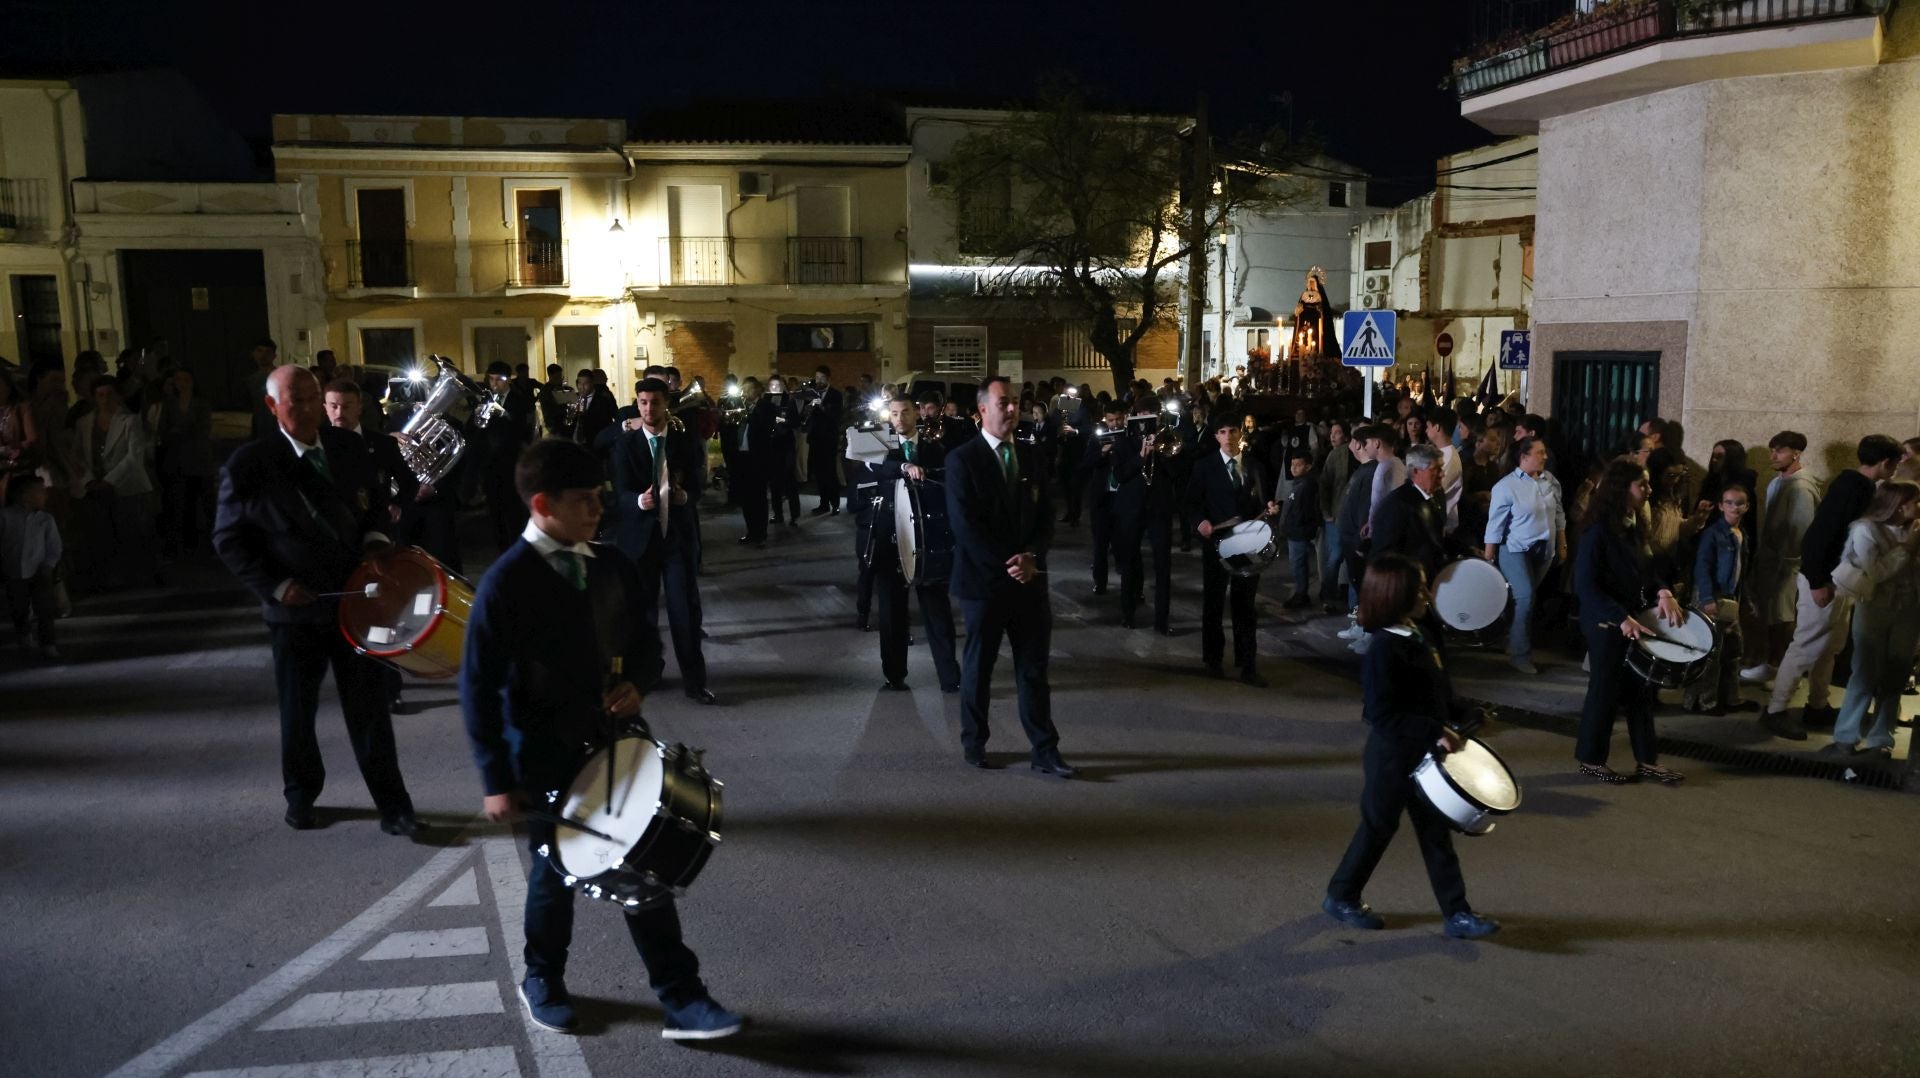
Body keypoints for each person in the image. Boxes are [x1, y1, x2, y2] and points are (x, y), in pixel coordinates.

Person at [461, 438, 743, 1039]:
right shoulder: (505, 583)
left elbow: (646, 645)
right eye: (584, 500)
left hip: (618, 743)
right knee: (553, 878)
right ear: (543, 503)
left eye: (599, 497)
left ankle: (682, 998)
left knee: (646, 874)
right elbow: (478, 688)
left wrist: (639, 683)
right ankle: (543, 978)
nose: (598, 509)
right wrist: (496, 781)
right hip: (544, 756)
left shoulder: (612, 563)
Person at [213, 366, 421, 834]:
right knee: (298, 710)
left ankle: (395, 806)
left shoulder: (349, 448)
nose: (308, 410)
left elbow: (376, 509)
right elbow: (229, 539)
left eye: (313, 399)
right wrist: (276, 585)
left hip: (356, 601)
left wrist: (374, 540)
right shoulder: (250, 464)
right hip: (294, 608)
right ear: (273, 406)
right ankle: (301, 796)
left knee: (368, 707)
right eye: (296, 401)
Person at [1322, 554, 1500, 940]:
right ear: (1395, 595)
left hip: (1423, 756)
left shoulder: (1418, 634)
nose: (1427, 592)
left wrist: (1464, 711)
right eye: (1418, 587)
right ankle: (1341, 895)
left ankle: (1457, 913)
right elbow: (1380, 714)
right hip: (1391, 757)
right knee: (1378, 828)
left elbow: (1436, 693)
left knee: (1435, 833)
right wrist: (1435, 728)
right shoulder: (1384, 649)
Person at [944, 376, 1072, 776]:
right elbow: (965, 525)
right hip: (984, 583)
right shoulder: (962, 459)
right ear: (983, 409)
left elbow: (1047, 518)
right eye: (1003, 402)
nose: (1012, 409)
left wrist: (1032, 557)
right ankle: (975, 742)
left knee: (1033, 669)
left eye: (1016, 401)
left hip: (1030, 581)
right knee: (979, 667)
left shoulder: (1032, 457)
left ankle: (1044, 749)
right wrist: (1009, 563)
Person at [1760, 434, 1901, 740]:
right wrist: (1816, 581)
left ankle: (1818, 705)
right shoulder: (1852, 489)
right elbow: (1818, 536)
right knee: (1806, 645)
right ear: (1885, 462)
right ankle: (1775, 709)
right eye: (1896, 462)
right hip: (1824, 579)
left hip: (1835, 579)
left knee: (1830, 645)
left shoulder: (1857, 486)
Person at [1572, 460, 1688, 784]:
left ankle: (1647, 760)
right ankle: (1591, 759)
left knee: (1640, 691)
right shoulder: (1598, 530)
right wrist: (1619, 617)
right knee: (1604, 691)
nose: (1649, 490)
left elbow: (1648, 569)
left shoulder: (1633, 523)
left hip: (1630, 619)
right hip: (1606, 624)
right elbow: (1585, 586)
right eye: (1643, 485)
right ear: (1623, 489)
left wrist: (1663, 590)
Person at [609, 378, 714, 705]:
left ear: (666, 403)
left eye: (654, 402)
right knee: (641, 615)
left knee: (685, 612)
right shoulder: (626, 445)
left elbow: (698, 484)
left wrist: (686, 496)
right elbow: (620, 494)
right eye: (642, 402)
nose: (648, 409)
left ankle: (695, 682)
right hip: (639, 542)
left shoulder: (686, 441)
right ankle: (645, 677)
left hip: (677, 540)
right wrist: (639, 501)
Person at [870, 398, 960, 692]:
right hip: (890, 539)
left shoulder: (935, 448)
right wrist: (905, 465)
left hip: (929, 539)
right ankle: (894, 674)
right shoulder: (881, 447)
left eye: (905, 412)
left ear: (916, 414)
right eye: (893, 413)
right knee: (892, 611)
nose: (899, 418)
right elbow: (876, 469)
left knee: (936, 608)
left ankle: (949, 676)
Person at [1826, 479, 1920, 757]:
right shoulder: (1865, 529)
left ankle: (1881, 738)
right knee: (1865, 671)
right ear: (1900, 506)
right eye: (1915, 501)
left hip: (1910, 608)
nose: (1918, 506)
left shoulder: (1914, 529)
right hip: (1874, 606)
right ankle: (1846, 734)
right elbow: (1877, 572)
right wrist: (1907, 548)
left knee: (1897, 673)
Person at [1187, 410, 1279, 687]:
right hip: (1216, 543)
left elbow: (1265, 499)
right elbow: (1191, 501)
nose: (1229, 437)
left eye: (1233, 431)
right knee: (1213, 602)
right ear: (1216, 436)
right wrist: (1201, 522)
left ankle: (1248, 664)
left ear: (1241, 434)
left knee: (1245, 605)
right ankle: (1213, 659)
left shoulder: (1254, 465)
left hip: (1248, 543)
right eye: (1223, 432)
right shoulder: (1204, 466)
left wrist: (1270, 508)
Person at [1740, 432, 1820, 685]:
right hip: (1771, 560)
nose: (1773, 456)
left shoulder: (1801, 486)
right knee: (1770, 615)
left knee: (1783, 617)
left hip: (1787, 564)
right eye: (1771, 450)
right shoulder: (1777, 482)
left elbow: (1801, 530)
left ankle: (1781, 668)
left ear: (1796, 453)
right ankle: (1771, 665)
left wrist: (1787, 562)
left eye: (1780, 450)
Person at [1484, 437, 1566, 674]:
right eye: (1540, 452)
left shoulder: (1551, 482)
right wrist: (1489, 557)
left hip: (1544, 550)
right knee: (1526, 597)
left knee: (1521, 599)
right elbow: (1495, 524)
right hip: (1515, 548)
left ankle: (1507, 637)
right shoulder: (1505, 486)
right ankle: (1520, 654)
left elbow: (1559, 515)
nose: (1545, 457)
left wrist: (1562, 544)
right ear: (1524, 457)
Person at [70, 380, 157, 591]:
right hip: (95, 487)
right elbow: (78, 455)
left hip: (125, 486)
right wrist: (89, 480)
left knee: (130, 532)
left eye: (109, 394)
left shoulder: (129, 421)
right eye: (100, 394)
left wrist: (109, 480)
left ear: (118, 396)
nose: (105, 399)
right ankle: (109, 576)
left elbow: (134, 456)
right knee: (102, 534)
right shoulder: (84, 423)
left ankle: (137, 576)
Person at [1683, 484, 1753, 714]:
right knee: (1708, 651)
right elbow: (1702, 567)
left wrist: (1746, 600)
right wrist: (1706, 597)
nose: (1735, 507)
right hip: (1713, 597)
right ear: (1721, 506)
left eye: (1740, 503)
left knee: (1733, 650)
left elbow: (1741, 572)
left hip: (1730, 599)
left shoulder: (1742, 535)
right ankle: (1704, 701)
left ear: (1747, 506)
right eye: (1729, 502)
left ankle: (1731, 697)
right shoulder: (1713, 534)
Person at [148, 368, 214, 558]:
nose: (182, 383)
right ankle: (186, 540)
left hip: (199, 457)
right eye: (178, 380)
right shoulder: (169, 404)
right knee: (182, 501)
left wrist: (180, 431)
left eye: (186, 379)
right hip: (177, 458)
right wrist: (176, 433)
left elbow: (202, 428)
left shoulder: (201, 403)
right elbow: (163, 430)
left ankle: (211, 542)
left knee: (206, 500)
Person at [2, 473, 62, 661]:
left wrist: (48, 565)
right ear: (25, 496)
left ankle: (48, 643)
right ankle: (24, 634)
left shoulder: (45, 520)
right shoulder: (5, 517)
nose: (45, 496)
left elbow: (54, 546)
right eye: (40, 492)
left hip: (40, 571)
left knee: (44, 608)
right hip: (13, 570)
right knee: (18, 606)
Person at [1369, 444, 1446, 583]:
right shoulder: (1396, 506)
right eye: (1435, 469)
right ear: (1416, 471)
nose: (1442, 474)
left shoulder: (1436, 495)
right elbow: (1384, 557)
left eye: (1442, 468)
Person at [481, 361, 536, 553]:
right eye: (491, 379)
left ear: (508, 380)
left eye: (499, 380)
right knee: (494, 511)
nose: (494, 384)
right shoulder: (485, 398)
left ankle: (517, 549)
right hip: (490, 463)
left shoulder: (519, 399)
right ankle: (501, 549)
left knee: (513, 511)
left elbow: (523, 428)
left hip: (511, 461)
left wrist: (503, 413)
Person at [1084, 401, 1128, 596]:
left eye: (1118, 419)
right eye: (1110, 420)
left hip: (1123, 496)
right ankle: (1100, 583)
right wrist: (1103, 451)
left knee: (1124, 543)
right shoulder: (1097, 438)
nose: (1115, 424)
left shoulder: (1130, 437)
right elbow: (1087, 463)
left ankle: (1128, 583)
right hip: (1102, 498)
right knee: (1100, 544)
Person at [1279, 450, 1320, 609]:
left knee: (1299, 564)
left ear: (1308, 467)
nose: (1294, 468)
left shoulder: (1307, 484)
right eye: (1292, 465)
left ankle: (1301, 594)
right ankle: (1300, 593)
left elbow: (1305, 510)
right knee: (1297, 563)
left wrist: (1298, 526)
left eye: (1299, 465)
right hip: (1293, 531)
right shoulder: (1298, 483)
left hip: (1299, 532)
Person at [731, 378, 770, 546]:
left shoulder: (765, 406)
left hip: (758, 458)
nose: (745, 393)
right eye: (743, 389)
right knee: (746, 497)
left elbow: (766, 426)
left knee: (758, 498)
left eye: (748, 390)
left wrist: (751, 413)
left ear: (757, 390)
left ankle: (760, 533)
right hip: (743, 457)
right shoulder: (744, 406)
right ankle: (750, 531)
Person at [803, 366, 844, 515]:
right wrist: (808, 408)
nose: (819, 381)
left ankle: (835, 504)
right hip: (815, 438)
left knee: (830, 472)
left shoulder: (836, 395)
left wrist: (822, 405)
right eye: (817, 378)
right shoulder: (811, 394)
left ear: (828, 379)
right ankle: (823, 503)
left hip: (829, 438)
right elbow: (807, 415)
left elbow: (836, 416)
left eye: (822, 378)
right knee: (819, 473)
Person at [246, 338, 280, 441]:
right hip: (260, 430)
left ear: (274, 356)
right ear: (253, 354)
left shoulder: (283, 377)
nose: (263, 355)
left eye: (268, 352)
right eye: (259, 351)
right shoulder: (251, 380)